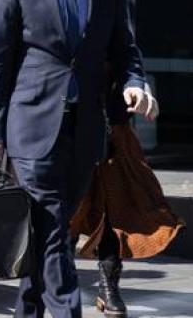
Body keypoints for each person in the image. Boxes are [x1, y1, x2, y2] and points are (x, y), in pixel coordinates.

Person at [0, 0, 148, 318]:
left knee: (48, 228)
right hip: (32, 126)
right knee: (54, 225)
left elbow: (125, 50)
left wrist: (134, 83)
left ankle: (28, 308)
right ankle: (66, 310)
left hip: (86, 128)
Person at [71, 81, 184, 317]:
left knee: (115, 212)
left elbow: (129, 59)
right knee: (69, 214)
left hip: (113, 131)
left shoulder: (117, 44)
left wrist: (144, 91)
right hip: (68, 129)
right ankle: (58, 283)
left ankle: (108, 288)